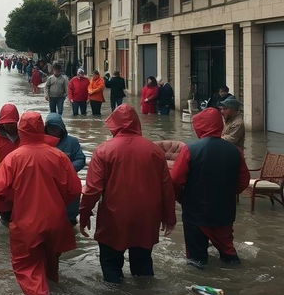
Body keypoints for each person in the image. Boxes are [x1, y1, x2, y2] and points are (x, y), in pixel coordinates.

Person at [0, 112, 82, 295]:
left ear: (21, 130)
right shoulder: (58, 155)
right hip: (56, 222)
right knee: (50, 263)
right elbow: (74, 189)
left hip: (27, 224)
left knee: (26, 263)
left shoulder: (14, 158)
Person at [79, 105, 176, 283]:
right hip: (147, 219)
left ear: (114, 125)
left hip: (114, 219)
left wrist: (84, 215)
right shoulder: (154, 151)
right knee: (143, 266)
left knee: (111, 266)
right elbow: (167, 188)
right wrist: (169, 218)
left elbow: (92, 190)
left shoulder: (103, 150)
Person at [170, 108, 249, 268]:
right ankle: (236, 282)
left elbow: (175, 180)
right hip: (224, 212)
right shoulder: (235, 151)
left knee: (196, 261)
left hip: (195, 213)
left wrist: (182, 198)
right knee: (228, 252)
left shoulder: (190, 150)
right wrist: (227, 194)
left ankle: (199, 288)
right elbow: (244, 180)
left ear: (200, 127)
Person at [44, 113, 86, 224]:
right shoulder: (42, 143)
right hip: (49, 184)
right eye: (51, 128)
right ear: (46, 128)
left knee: (69, 214)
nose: (54, 131)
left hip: (69, 182)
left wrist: (67, 170)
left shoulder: (72, 142)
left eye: (56, 128)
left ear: (62, 128)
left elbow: (81, 159)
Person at [0, 103, 21, 224]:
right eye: (7, 123)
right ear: (1, 123)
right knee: (6, 220)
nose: (10, 126)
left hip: (22, 187)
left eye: (12, 123)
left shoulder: (25, 137)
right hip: (3, 187)